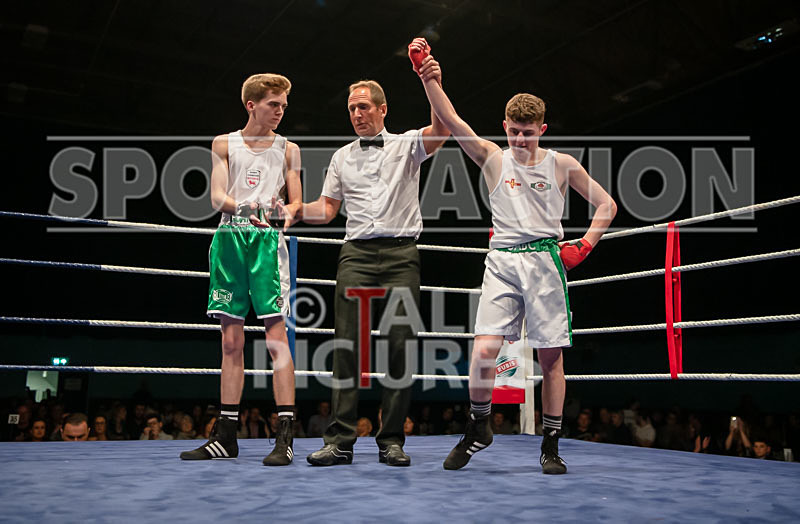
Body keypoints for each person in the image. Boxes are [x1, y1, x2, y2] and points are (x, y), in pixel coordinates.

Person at [412, 38, 617, 474]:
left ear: (543, 129)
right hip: (502, 261)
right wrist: (428, 77)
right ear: (504, 126)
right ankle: (479, 426)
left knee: (550, 358)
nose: (520, 139)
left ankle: (551, 444)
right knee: (483, 350)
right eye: (514, 131)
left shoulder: (562, 164)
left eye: (528, 132)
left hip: (545, 262)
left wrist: (584, 244)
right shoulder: (493, 158)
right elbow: (452, 120)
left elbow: (607, 205)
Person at [297, 71, 448, 467]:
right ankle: (340, 441)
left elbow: (443, 129)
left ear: (382, 109)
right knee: (347, 347)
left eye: (363, 107)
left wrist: (430, 80)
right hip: (356, 255)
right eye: (351, 109)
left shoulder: (408, 144)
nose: (356, 114)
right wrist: (294, 210)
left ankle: (391, 440)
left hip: (401, 255)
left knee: (400, 345)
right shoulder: (341, 156)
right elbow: (326, 210)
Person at [180, 73, 301, 466]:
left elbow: (296, 203)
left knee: (276, 339)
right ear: (252, 105)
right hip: (230, 239)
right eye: (273, 104)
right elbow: (217, 197)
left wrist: (286, 213)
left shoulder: (289, 149)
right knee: (230, 343)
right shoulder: (224, 143)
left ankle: (285, 437)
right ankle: (225, 436)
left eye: (283, 105)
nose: (280, 111)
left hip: (266, 243)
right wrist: (251, 208)